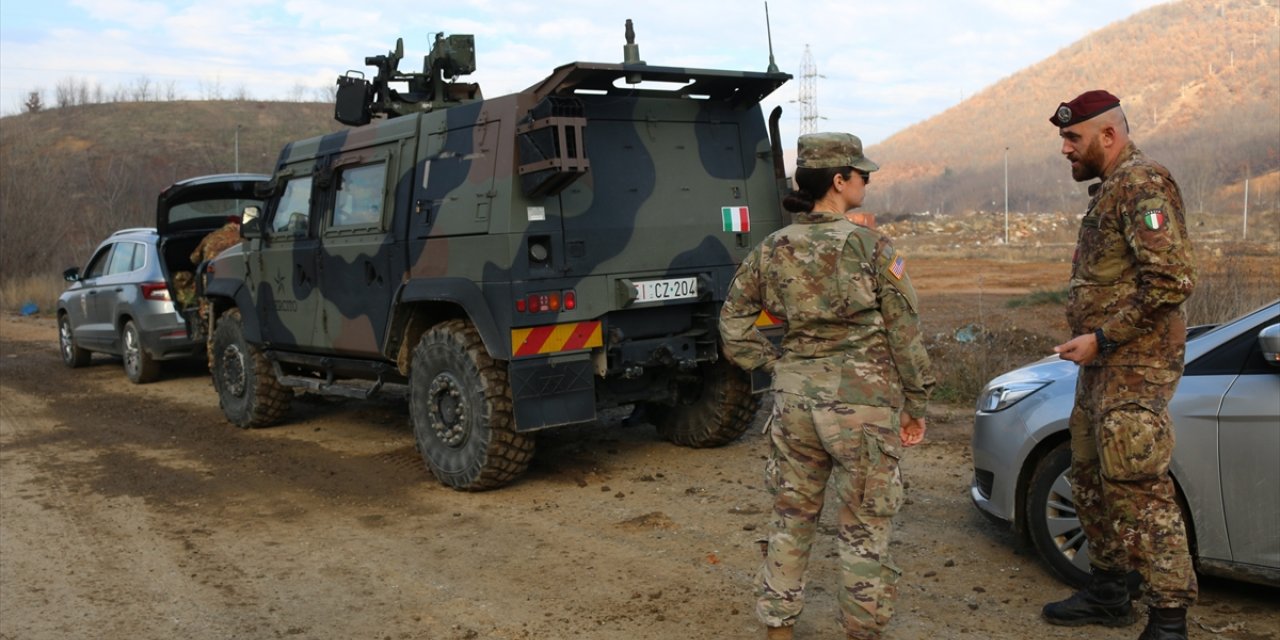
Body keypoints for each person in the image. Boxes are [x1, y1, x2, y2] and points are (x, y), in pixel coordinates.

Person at [719, 132, 934, 640]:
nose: (867, 181)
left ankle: (778, 630)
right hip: (862, 408)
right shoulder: (872, 247)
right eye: (862, 174)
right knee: (864, 529)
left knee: (792, 518)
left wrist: (774, 366)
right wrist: (917, 402)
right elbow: (905, 333)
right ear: (839, 182)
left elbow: (732, 324)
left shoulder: (772, 248)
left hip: (795, 402)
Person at [1043, 90, 1197, 640]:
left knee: (1137, 485)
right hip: (1103, 366)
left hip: (1135, 366)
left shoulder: (1142, 184)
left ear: (1108, 135)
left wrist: (1103, 337)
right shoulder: (1110, 189)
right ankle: (1110, 590)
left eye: (1072, 138)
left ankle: (1169, 618)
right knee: (1089, 474)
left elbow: (1172, 281)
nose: (1065, 149)